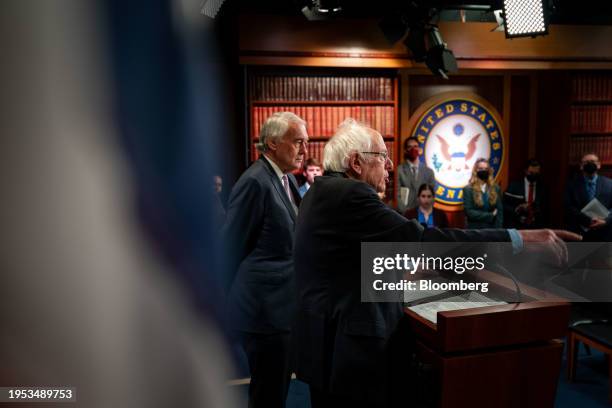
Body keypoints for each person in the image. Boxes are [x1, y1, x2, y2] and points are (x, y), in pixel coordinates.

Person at [293, 119, 578, 408]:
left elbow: (350, 259)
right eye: (382, 157)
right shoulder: (351, 195)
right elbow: (426, 239)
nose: (390, 165)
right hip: (348, 349)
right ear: (356, 162)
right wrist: (519, 238)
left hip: (324, 341)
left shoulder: (321, 191)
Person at [222, 112, 308, 408]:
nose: (304, 150)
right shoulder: (255, 182)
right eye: (298, 142)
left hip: (281, 310)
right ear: (273, 142)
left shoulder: (285, 179)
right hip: (263, 313)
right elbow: (231, 244)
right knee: (267, 395)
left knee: (276, 391)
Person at [564, 153, 612, 241]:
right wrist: (587, 220)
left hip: (604, 234)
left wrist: (606, 221)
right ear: (581, 166)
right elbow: (568, 207)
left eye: (593, 161)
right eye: (586, 162)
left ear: (599, 165)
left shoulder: (610, 184)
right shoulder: (571, 184)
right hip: (579, 234)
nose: (590, 164)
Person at [396, 136, 435, 213]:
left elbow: (431, 196)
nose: (413, 149)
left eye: (415, 146)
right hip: (404, 214)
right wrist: (406, 213)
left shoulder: (429, 172)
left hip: (423, 215)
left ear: (420, 150)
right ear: (405, 150)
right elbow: (397, 195)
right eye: (409, 147)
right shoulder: (399, 170)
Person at [504, 159, 546, 229]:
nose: (534, 175)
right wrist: (517, 208)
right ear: (526, 171)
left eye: (536, 173)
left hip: (535, 227)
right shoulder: (514, 186)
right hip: (517, 226)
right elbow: (504, 205)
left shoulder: (542, 188)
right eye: (531, 173)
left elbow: (545, 209)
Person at [463, 158, 503, 228]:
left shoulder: (496, 188)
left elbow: (499, 212)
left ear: (489, 171)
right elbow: (469, 212)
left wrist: (498, 230)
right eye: (480, 168)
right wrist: (491, 215)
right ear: (475, 171)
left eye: (486, 169)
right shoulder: (468, 189)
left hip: (492, 230)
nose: (483, 171)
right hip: (474, 231)